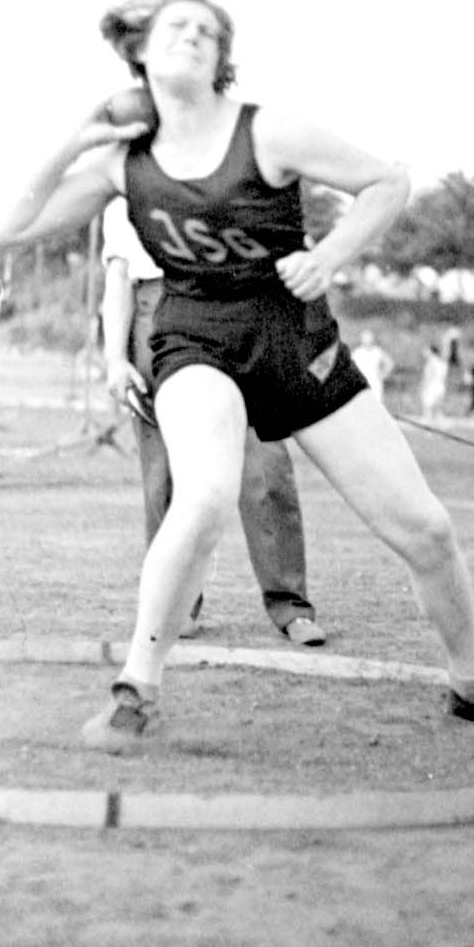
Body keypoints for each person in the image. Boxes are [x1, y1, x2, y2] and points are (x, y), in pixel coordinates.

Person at [0, 0, 474, 750]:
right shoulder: (121, 164)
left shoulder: (270, 131)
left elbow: (387, 182)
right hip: (197, 344)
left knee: (424, 528)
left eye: (207, 31)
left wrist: (329, 255)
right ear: (141, 54)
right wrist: (77, 136)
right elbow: (5, 226)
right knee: (206, 494)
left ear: (223, 58)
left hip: (295, 343)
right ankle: (136, 690)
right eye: (174, 27)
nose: (192, 36)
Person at [101, 194, 326, 645]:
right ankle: (176, 605)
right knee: (164, 474)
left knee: (265, 462)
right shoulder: (128, 192)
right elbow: (119, 281)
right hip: (156, 310)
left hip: (233, 310)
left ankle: (290, 605)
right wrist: (114, 360)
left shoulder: (233, 177)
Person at [350, 329, 395, 406]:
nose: (367, 341)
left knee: (377, 404)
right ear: (362, 340)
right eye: (365, 339)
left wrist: (383, 375)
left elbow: (390, 363)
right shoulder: (357, 353)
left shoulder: (377, 351)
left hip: (375, 382)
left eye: (369, 339)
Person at [418, 344, 449, 422]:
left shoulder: (431, 362)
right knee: (438, 406)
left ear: (431, 351)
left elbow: (428, 375)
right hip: (440, 385)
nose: (424, 352)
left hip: (432, 385)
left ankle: (426, 419)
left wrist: (423, 385)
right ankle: (439, 419)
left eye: (427, 350)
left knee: (427, 404)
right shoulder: (441, 362)